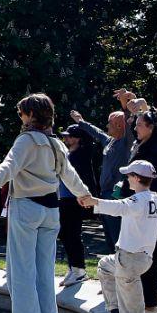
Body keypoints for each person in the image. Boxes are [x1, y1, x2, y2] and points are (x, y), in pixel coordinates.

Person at [0, 94, 90, 313]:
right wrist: (85, 195)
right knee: (45, 269)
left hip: (26, 208)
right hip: (51, 211)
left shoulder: (25, 141)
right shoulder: (57, 144)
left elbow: (9, 166)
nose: (20, 117)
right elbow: (70, 176)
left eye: (21, 113)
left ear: (30, 115)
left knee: (21, 268)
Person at [81, 161, 157, 313]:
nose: (127, 178)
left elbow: (119, 208)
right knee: (104, 266)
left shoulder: (138, 199)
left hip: (129, 260)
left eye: (129, 175)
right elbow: (124, 207)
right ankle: (115, 310)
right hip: (139, 258)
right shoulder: (154, 198)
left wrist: (93, 201)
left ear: (137, 178)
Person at [126, 103, 157, 313]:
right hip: (136, 203)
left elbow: (155, 180)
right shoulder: (141, 144)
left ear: (151, 127)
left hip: (148, 206)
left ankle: (151, 305)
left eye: (140, 125)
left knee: (147, 254)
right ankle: (139, 301)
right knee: (135, 251)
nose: (135, 128)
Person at [69, 101, 135, 248]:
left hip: (115, 195)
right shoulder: (110, 141)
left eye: (109, 124)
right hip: (104, 194)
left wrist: (125, 104)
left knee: (116, 233)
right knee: (108, 235)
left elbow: (129, 123)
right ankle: (112, 264)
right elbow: (97, 132)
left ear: (119, 125)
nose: (107, 126)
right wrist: (81, 121)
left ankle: (119, 264)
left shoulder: (125, 143)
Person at [56, 123, 100, 287]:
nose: (65, 138)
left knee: (72, 234)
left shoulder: (82, 154)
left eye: (69, 136)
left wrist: (81, 121)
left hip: (74, 200)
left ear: (78, 139)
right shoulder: (68, 154)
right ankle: (72, 267)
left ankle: (79, 270)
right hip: (64, 198)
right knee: (65, 234)